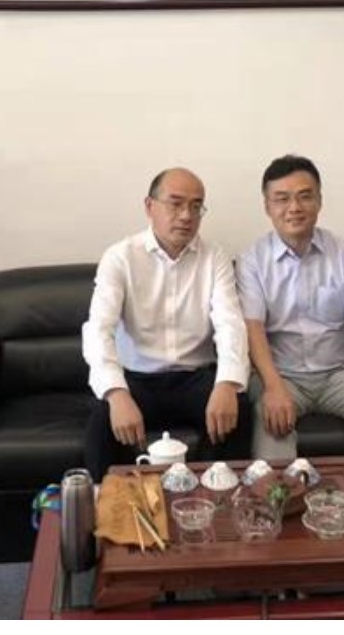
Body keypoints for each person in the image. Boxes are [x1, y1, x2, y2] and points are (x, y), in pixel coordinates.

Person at [82, 167, 252, 481]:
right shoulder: (120, 257)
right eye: (175, 204)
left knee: (238, 409)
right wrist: (116, 393)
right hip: (137, 379)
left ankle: (220, 501)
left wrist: (227, 384)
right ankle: (105, 504)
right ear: (150, 206)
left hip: (194, 377)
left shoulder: (214, 257)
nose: (186, 215)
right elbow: (98, 329)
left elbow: (230, 324)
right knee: (103, 419)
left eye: (196, 206)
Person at [236, 154, 344, 460]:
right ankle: (280, 493)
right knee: (272, 423)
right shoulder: (252, 261)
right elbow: (253, 329)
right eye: (282, 198)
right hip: (281, 375)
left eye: (304, 196)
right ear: (267, 206)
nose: (294, 207)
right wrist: (272, 386)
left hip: (339, 375)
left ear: (319, 201)